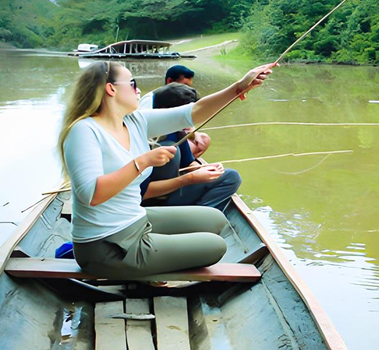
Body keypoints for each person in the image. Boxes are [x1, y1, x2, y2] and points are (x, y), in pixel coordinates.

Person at [58, 60, 274, 278]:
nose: (138, 89)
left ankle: (153, 262)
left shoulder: (134, 121)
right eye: (132, 83)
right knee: (216, 246)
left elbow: (193, 112)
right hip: (105, 246)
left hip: (136, 219)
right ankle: (146, 271)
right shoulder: (84, 131)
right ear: (111, 89)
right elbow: (92, 195)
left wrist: (240, 86)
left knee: (216, 220)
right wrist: (142, 162)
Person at [139, 82, 242, 212]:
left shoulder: (176, 130)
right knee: (171, 150)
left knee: (231, 176)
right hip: (151, 200)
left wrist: (207, 169)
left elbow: (189, 163)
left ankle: (201, 212)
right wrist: (189, 179)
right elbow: (141, 192)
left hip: (175, 191)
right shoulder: (142, 136)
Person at [139, 64, 209, 158]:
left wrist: (194, 133)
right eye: (184, 85)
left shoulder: (182, 98)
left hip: (176, 138)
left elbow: (188, 123)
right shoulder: (151, 100)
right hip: (157, 142)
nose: (186, 89)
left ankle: (186, 163)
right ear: (169, 81)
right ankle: (187, 164)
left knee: (204, 139)